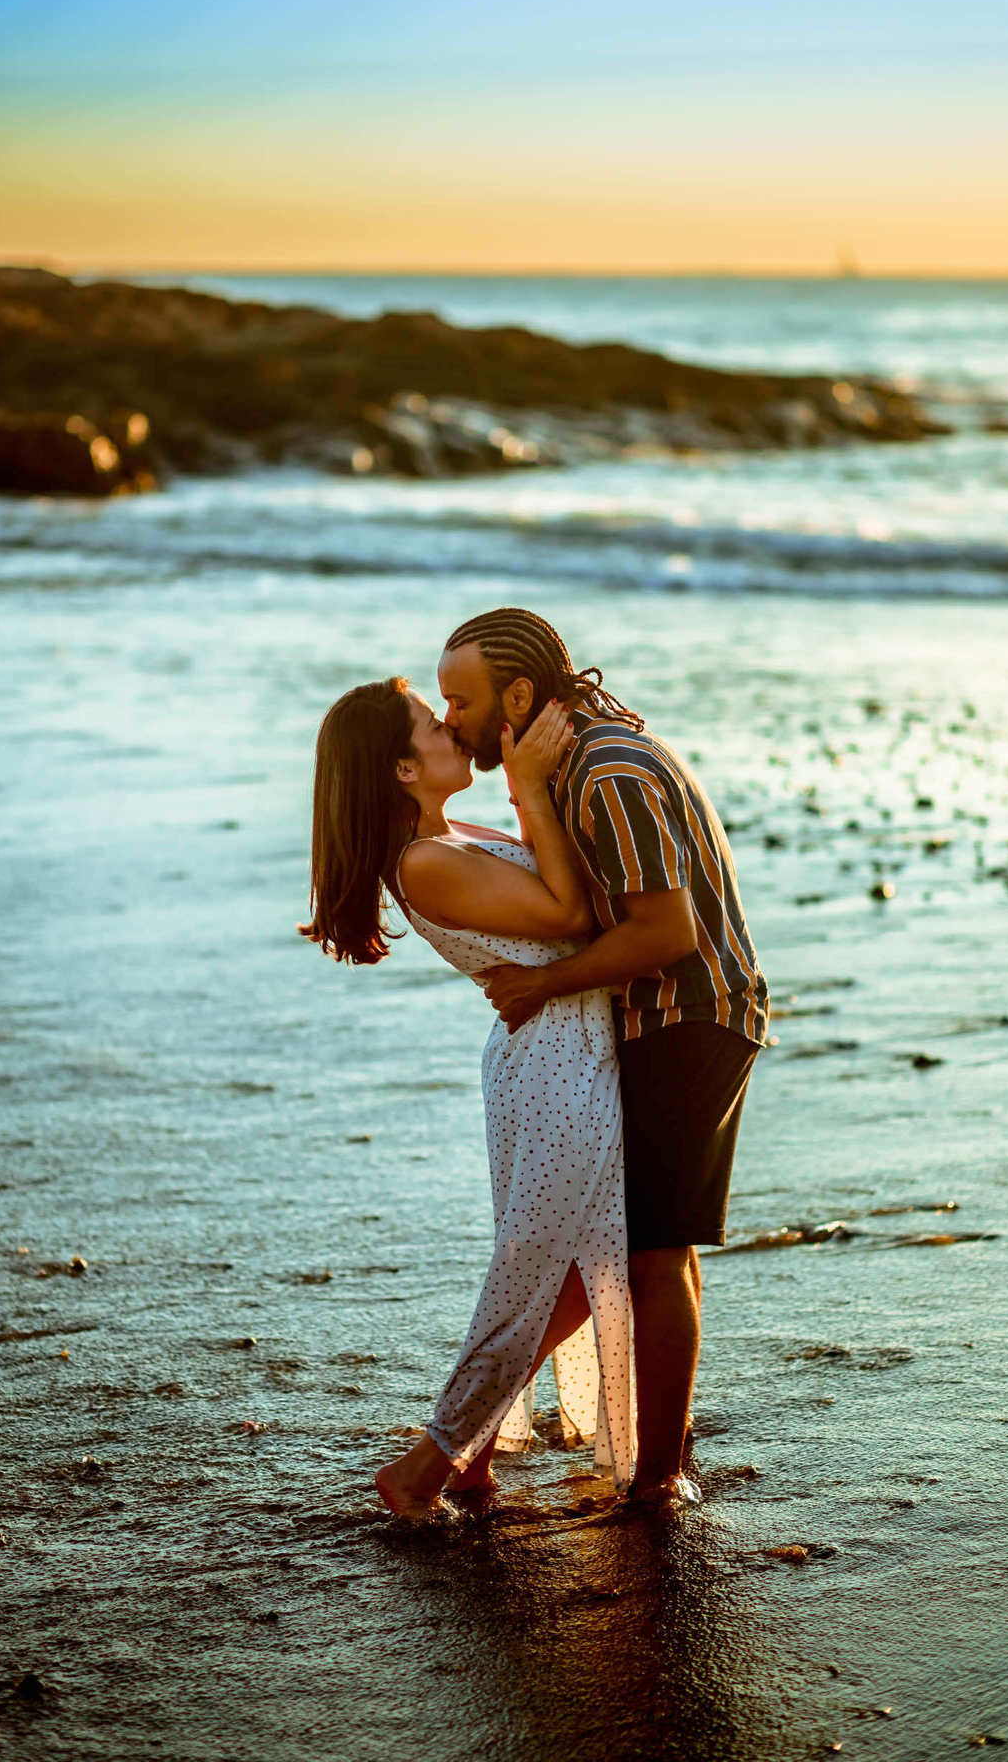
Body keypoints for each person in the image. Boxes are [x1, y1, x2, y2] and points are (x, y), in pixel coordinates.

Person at [436, 608, 768, 1505]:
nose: (451, 719)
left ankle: (656, 1480)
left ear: (516, 693)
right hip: (656, 1017)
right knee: (616, 1252)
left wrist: (542, 986)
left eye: (459, 701)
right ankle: (482, 1439)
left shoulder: (607, 771)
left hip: (689, 1016)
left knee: (656, 1254)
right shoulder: (576, 757)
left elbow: (666, 931)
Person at [302, 678, 637, 1517]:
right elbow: (570, 912)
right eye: (433, 723)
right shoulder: (425, 862)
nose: (455, 726)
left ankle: (472, 1450)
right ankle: (429, 1460)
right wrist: (528, 782)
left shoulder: (453, 836)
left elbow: (557, 888)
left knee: (562, 1265)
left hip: (562, 1053)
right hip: (557, 1069)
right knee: (544, 1275)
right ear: (406, 769)